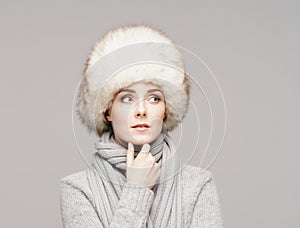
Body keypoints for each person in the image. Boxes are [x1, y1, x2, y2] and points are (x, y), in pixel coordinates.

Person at [60, 25, 224, 228]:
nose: (141, 110)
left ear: (166, 110)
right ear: (107, 111)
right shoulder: (78, 188)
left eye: (154, 98)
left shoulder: (198, 184)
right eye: (127, 98)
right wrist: (137, 189)